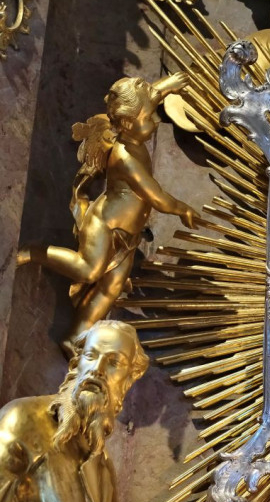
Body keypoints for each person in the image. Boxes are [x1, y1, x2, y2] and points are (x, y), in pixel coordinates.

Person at [17, 73, 200, 355]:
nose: (155, 121)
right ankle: (34, 252)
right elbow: (155, 196)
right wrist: (182, 208)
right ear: (127, 123)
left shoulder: (133, 134)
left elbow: (144, 101)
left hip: (128, 235)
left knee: (111, 287)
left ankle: (75, 336)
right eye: (150, 117)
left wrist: (165, 87)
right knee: (88, 270)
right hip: (104, 226)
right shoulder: (125, 158)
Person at [0, 320, 150, 502]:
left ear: (127, 380)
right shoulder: (24, 420)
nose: (96, 370)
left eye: (113, 362)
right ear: (76, 363)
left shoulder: (103, 467)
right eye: (90, 356)